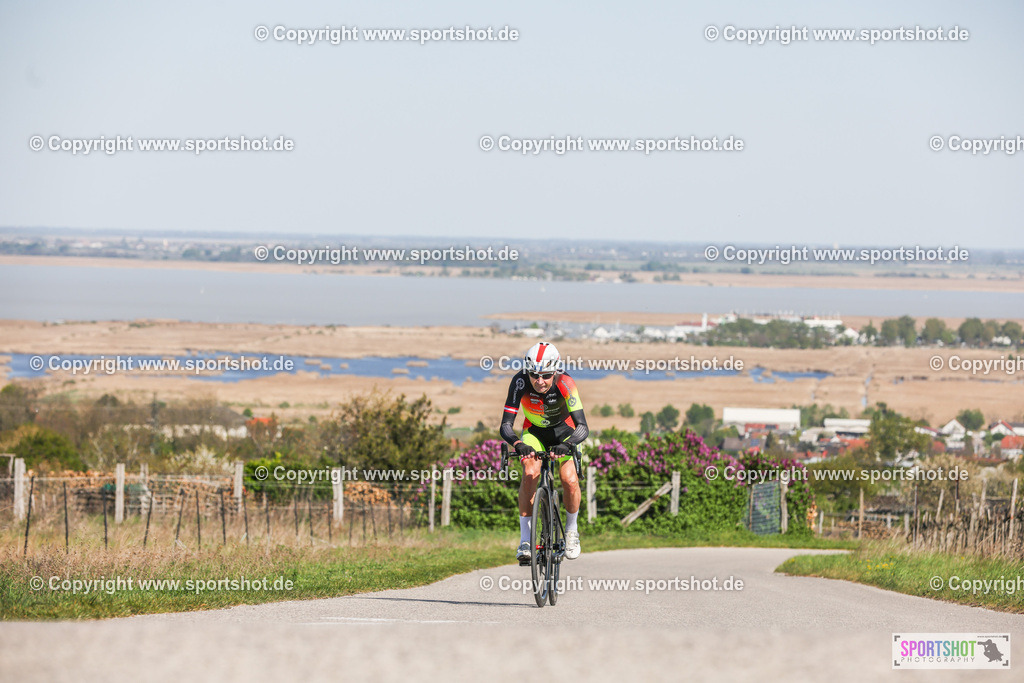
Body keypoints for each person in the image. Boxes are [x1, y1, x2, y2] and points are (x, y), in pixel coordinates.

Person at [500, 341, 589, 563]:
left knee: (569, 479)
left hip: (564, 433)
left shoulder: (566, 382)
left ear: (556, 371)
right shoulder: (519, 382)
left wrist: (567, 445)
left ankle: (571, 531)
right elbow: (505, 425)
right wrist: (518, 445)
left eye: (546, 375)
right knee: (530, 473)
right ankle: (525, 541)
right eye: (534, 375)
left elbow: (582, 427)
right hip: (534, 432)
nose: (540, 381)